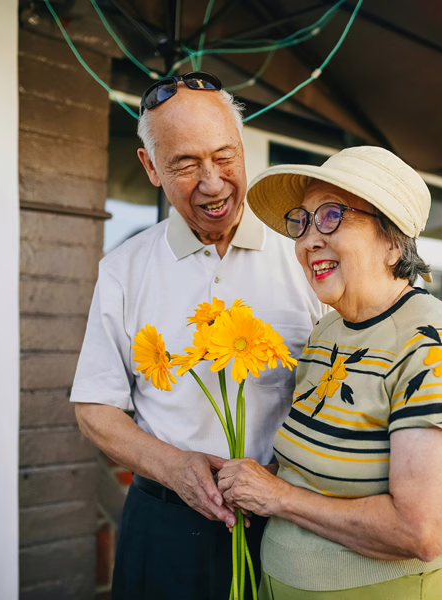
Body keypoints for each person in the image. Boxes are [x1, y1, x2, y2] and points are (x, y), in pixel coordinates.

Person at [70, 72, 324, 600]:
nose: (212, 183)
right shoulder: (124, 269)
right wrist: (176, 468)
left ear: (243, 148)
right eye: (185, 164)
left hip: (290, 523)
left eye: (224, 156)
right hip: (164, 526)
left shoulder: (307, 255)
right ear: (151, 169)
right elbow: (95, 408)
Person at [217, 146, 442, 599]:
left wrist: (276, 497)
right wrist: (250, 478)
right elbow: (318, 470)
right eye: (301, 222)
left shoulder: (431, 343)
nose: (307, 241)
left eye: (331, 216)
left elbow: (423, 531)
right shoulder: (328, 330)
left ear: (391, 239)